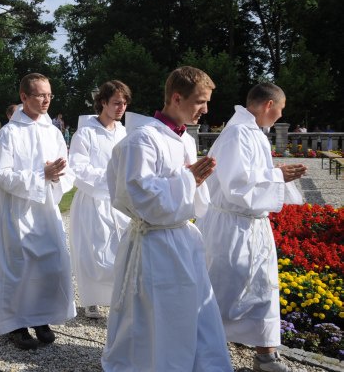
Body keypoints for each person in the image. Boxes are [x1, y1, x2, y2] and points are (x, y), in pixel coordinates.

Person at [102, 66, 232, 371]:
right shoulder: (142, 140)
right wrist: (188, 181)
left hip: (182, 238)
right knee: (158, 315)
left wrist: (194, 183)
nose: (206, 109)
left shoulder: (184, 138)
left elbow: (189, 194)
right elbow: (139, 195)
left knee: (193, 310)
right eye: (200, 101)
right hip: (154, 243)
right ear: (176, 98)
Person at [195, 83, 307, 372]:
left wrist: (278, 177)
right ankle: (204, 355)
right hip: (231, 226)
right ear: (269, 105)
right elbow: (236, 185)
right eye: (280, 110)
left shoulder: (254, 133)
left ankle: (265, 354)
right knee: (224, 291)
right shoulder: (237, 134)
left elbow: (255, 177)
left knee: (262, 288)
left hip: (253, 225)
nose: (281, 117)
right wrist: (276, 175)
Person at [0, 73, 75, 350]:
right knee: (20, 266)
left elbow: (67, 170)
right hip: (18, 212)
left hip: (46, 210)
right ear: (24, 97)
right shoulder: (10, 133)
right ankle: (15, 324)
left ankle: (41, 317)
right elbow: (1, 174)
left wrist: (58, 176)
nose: (46, 99)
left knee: (50, 265)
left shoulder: (54, 132)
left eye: (49, 94)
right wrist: (41, 174)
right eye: (40, 95)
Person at [68, 80, 131, 319]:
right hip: (93, 201)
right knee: (93, 253)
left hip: (120, 203)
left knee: (120, 251)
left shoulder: (125, 133)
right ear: (103, 102)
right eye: (116, 102)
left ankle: (118, 297)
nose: (121, 107)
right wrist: (111, 178)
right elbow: (78, 168)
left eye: (124, 103)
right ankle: (91, 299)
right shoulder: (85, 133)